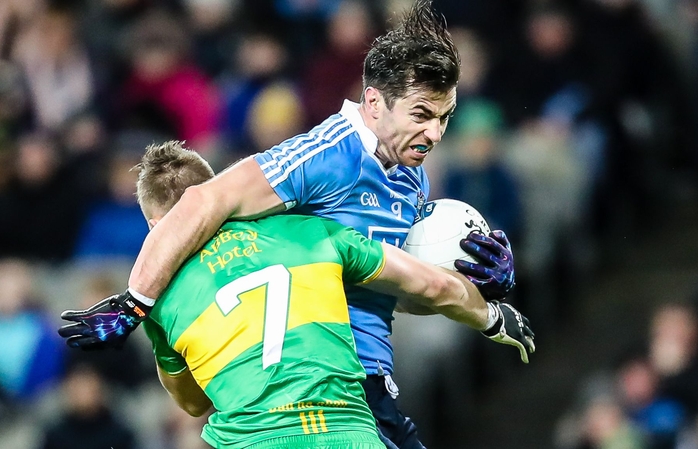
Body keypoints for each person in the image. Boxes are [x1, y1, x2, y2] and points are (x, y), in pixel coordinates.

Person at [58, 1, 525, 447]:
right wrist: (135, 302)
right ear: (375, 102)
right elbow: (206, 198)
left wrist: (473, 282)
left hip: (364, 383)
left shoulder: (410, 175)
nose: (436, 133)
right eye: (422, 115)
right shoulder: (325, 154)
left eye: (445, 118)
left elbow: (389, 288)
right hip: (328, 382)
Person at [60, 142, 534, 448]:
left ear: (153, 228)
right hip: (348, 430)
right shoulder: (309, 231)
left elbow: (192, 404)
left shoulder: (158, 300)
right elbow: (428, 283)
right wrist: (492, 312)